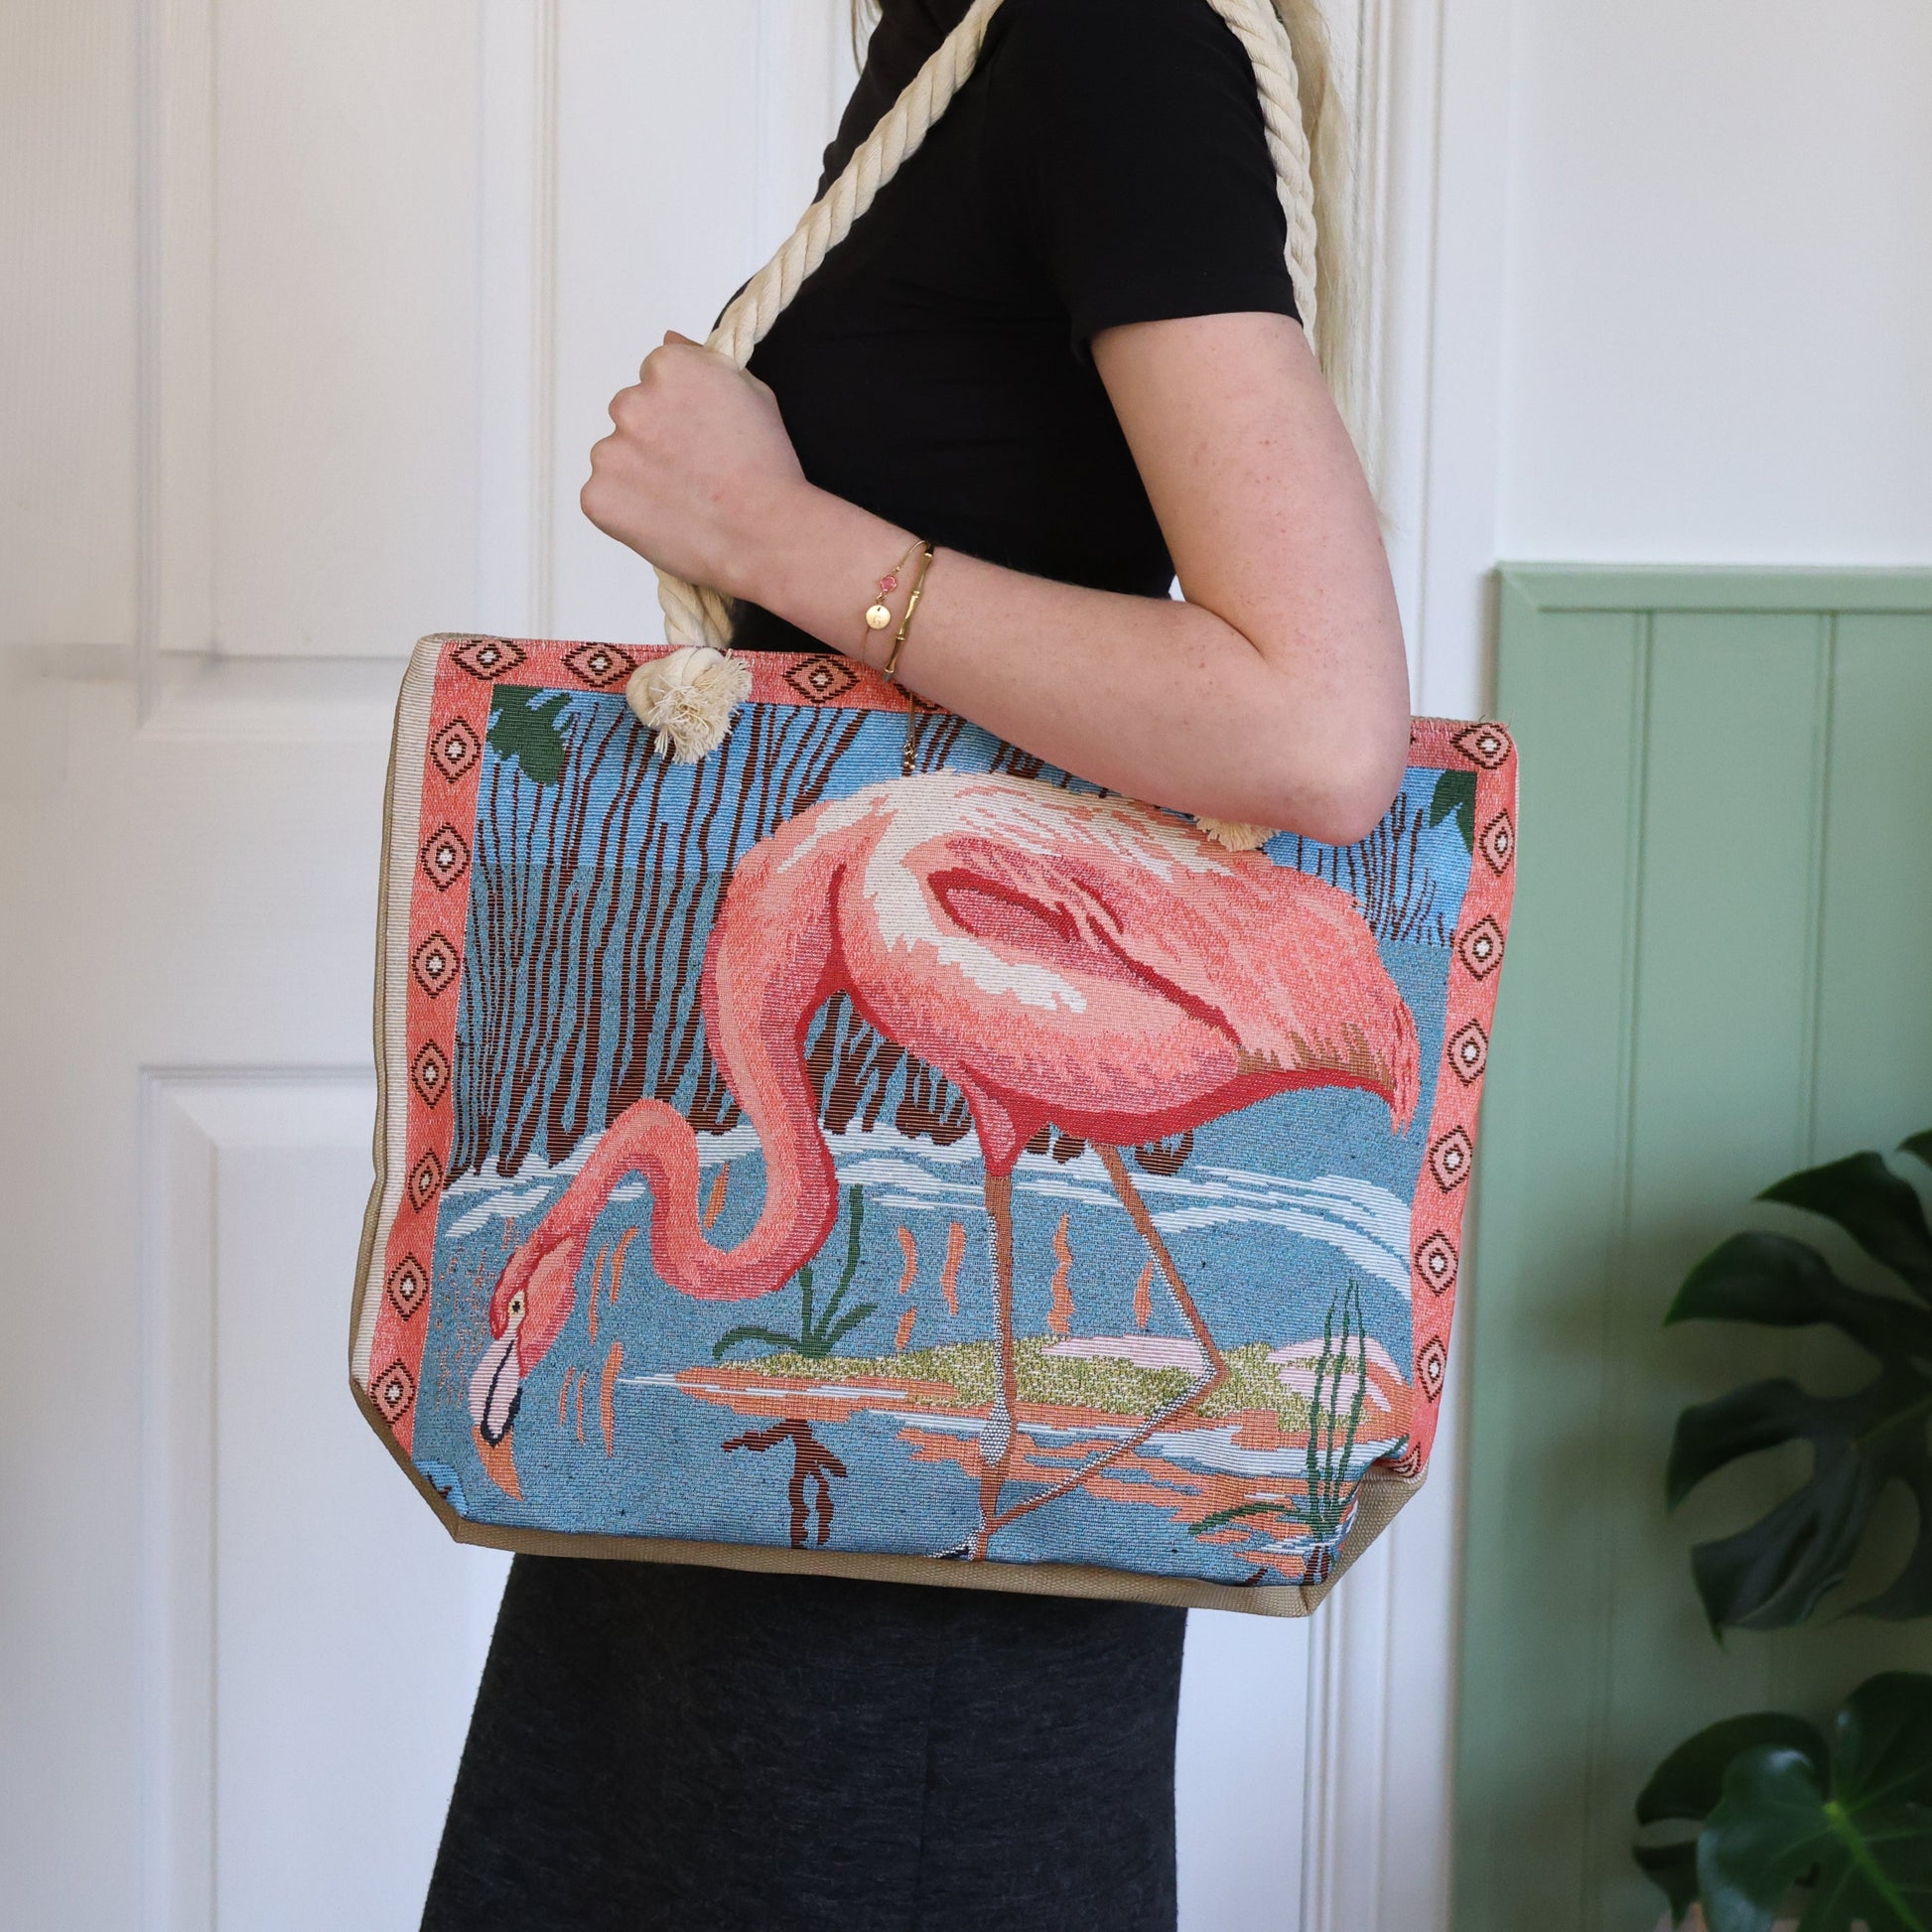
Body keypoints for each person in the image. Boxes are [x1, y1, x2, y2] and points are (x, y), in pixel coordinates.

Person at [420, 0, 1408, 1925]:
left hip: (920, 1554)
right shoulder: (947, 40)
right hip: (758, 1506)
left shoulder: (1103, 39)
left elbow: (1316, 723)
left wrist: (776, 531)